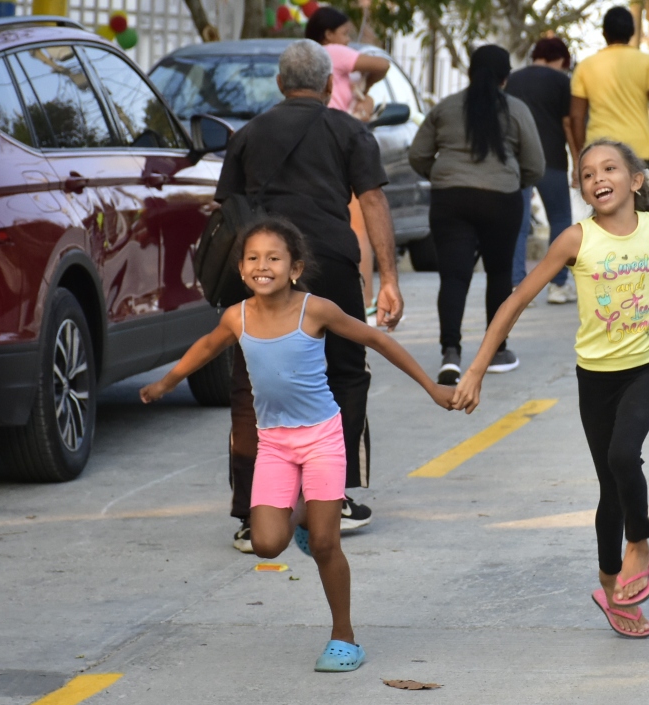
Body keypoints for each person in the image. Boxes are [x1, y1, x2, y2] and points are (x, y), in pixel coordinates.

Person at [139, 219, 454, 672]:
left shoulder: (315, 310)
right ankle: (303, 513)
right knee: (266, 544)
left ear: (294, 268)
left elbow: (375, 339)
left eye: (273, 257)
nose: (261, 265)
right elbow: (206, 348)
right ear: (242, 268)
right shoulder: (237, 316)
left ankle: (344, 637)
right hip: (275, 446)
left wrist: (432, 387)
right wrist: (165, 383)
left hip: (323, 438)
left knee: (326, 544)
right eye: (252, 258)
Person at [451, 139, 649, 638]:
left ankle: (641, 544)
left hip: (648, 366)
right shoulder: (575, 240)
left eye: (609, 168)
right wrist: (478, 368)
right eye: (587, 173)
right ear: (582, 188)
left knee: (622, 455)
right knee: (609, 488)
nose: (597, 178)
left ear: (635, 180)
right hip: (595, 377)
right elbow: (517, 299)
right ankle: (613, 590)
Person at [216, 40, 403, 551]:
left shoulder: (249, 134)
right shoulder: (349, 130)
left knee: (249, 387)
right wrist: (388, 277)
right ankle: (334, 496)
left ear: (280, 84)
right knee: (344, 372)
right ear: (327, 85)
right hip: (330, 265)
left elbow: (225, 205)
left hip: (260, 270)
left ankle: (250, 512)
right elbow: (372, 198)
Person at [410, 45, 544, 385]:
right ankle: (497, 352)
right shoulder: (516, 109)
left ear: (469, 73)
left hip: (450, 200)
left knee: (454, 277)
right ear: (505, 78)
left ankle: (450, 355)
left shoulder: (444, 108)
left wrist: (443, 177)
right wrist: (515, 182)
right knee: (499, 275)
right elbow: (535, 165)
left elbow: (418, 154)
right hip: (502, 199)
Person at [305, 5, 391, 317]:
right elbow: (382, 64)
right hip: (343, 139)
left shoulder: (309, 57)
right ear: (328, 34)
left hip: (315, 143)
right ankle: (367, 297)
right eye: (345, 34)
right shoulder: (335, 53)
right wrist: (365, 87)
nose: (348, 41)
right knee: (359, 225)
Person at [570, 5, 649, 202]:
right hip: (641, 154)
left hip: (599, 154)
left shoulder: (586, 67)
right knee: (645, 221)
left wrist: (581, 157)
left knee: (605, 221)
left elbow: (577, 117)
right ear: (632, 33)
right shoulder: (648, 63)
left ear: (604, 33)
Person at [506, 36, 580, 304]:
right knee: (560, 220)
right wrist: (577, 160)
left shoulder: (512, 79)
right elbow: (568, 124)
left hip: (517, 161)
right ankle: (558, 285)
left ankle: (516, 285)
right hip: (551, 161)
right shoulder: (561, 81)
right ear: (560, 59)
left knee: (519, 223)